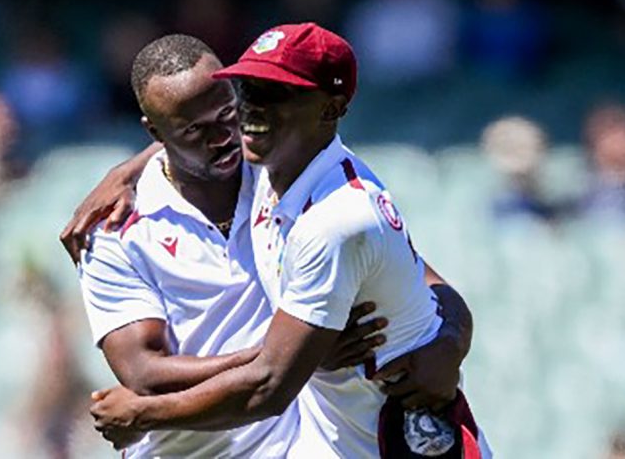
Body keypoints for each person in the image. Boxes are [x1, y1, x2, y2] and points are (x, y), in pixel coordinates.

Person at [86, 23, 490, 458]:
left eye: (275, 94)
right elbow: (145, 374)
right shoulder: (119, 224)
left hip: (393, 443)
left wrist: (450, 339)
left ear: (331, 108)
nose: (243, 117)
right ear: (157, 133)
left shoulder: (322, 207)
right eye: (249, 89)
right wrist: (297, 354)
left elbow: (270, 385)